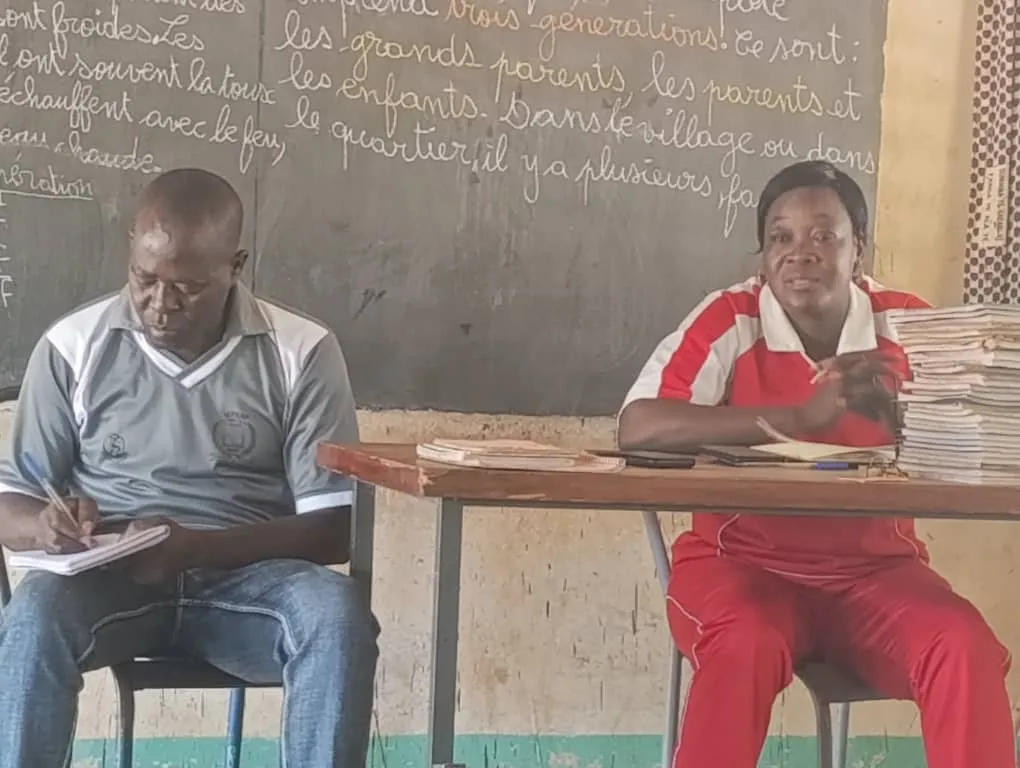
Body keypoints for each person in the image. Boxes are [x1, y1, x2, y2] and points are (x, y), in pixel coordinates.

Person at [617, 161, 1014, 768]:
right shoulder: (733, 318)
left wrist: (906, 418)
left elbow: (988, 427)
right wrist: (798, 417)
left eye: (824, 235)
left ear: (859, 250)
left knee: (962, 646)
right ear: (762, 256)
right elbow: (639, 426)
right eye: (781, 237)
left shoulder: (907, 324)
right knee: (743, 644)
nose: (800, 253)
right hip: (741, 566)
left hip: (878, 574)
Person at [0, 168, 379, 768]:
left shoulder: (300, 351)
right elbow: (10, 503)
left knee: (336, 616)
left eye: (188, 287)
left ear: (236, 265)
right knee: (32, 615)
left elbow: (334, 528)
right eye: (144, 279)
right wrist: (46, 525)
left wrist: (195, 547)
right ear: (131, 248)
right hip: (113, 583)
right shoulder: (73, 346)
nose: (160, 304)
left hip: (250, 584)